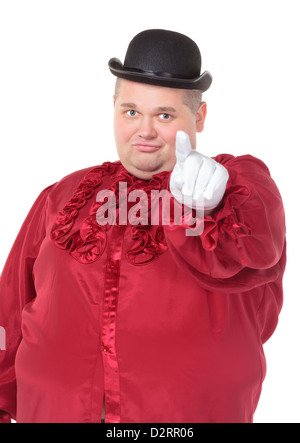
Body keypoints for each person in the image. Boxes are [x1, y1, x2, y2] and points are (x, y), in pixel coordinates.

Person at [0, 29, 286, 424]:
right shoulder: (63, 195)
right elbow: (10, 311)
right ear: (114, 108)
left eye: (164, 115)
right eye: (131, 111)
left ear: (199, 117)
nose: (145, 131)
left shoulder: (236, 188)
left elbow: (254, 253)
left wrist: (203, 209)